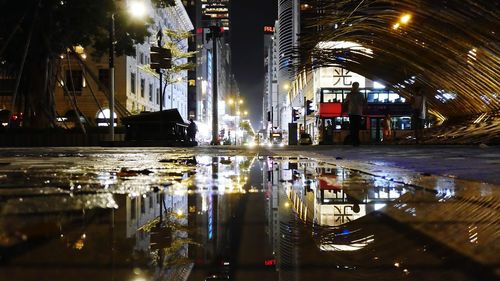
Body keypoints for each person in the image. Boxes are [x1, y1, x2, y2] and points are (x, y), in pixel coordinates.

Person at [344, 82, 366, 146]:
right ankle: (356, 141)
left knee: (353, 128)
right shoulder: (360, 94)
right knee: (356, 128)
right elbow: (364, 102)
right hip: (357, 113)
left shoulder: (349, 94)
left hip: (352, 113)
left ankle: (355, 141)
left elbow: (345, 102)